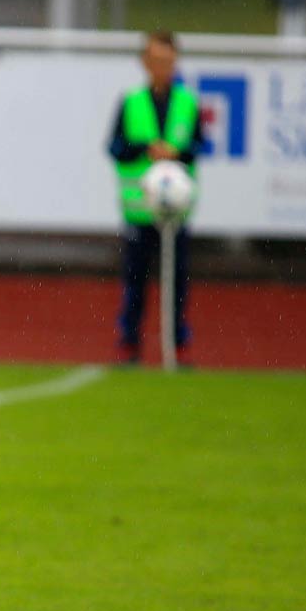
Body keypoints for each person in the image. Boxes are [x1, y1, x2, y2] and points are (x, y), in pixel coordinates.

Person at [107, 29, 210, 365]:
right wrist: (145, 149)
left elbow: (199, 146)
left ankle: (175, 347)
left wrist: (176, 152)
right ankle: (129, 346)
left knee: (176, 281)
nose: (162, 67)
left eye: (168, 61)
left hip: (176, 211)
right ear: (145, 63)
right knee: (135, 282)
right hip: (139, 209)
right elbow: (115, 147)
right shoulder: (131, 102)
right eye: (156, 60)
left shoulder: (187, 104)